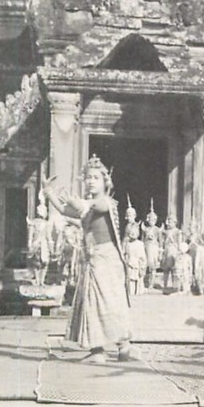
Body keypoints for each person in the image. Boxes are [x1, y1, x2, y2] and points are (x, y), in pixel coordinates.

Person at [46, 155, 134, 364]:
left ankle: (118, 346)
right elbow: (66, 210)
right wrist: (49, 192)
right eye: (87, 177)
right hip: (92, 259)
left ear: (105, 182)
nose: (91, 181)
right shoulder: (88, 206)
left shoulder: (106, 202)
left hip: (106, 259)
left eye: (95, 177)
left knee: (106, 302)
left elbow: (94, 205)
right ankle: (102, 350)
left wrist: (80, 202)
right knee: (95, 302)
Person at [142, 204, 162, 290]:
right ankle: (142, 283)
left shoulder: (157, 230)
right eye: (150, 220)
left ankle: (152, 283)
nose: (151, 221)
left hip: (154, 248)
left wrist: (160, 251)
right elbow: (142, 240)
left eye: (153, 220)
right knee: (145, 265)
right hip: (146, 248)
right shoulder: (145, 229)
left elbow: (160, 241)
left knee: (153, 267)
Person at [161, 216, 180, 290]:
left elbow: (178, 242)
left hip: (174, 250)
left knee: (173, 268)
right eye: (168, 222)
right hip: (167, 249)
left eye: (170, 222)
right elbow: (163, 241)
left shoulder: (177, 232)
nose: (168, 224)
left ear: (175, 223)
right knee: (166, 268)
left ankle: (174, 285)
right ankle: (165, 285)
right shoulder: (166, 232)